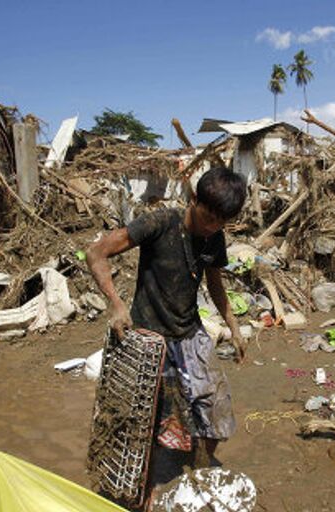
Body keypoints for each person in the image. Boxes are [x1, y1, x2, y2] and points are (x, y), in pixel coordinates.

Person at [86, 166, 247, 473]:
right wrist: (116, 305)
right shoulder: (160, 222)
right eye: (209, 216)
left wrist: (234, 328)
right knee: (140, 421)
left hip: (189, 333)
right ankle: (140, 486)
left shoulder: (214, 238)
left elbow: (215, 284)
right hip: (148, 336)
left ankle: (199, 474)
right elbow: (96, 253)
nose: (213, 226)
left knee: (216, 406)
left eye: (222, 220)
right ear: (194, 199)